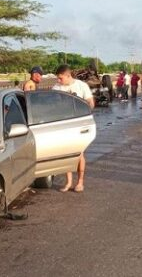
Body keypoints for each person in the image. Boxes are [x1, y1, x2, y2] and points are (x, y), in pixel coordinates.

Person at [52, 64, 95, 193]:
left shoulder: (81, 86)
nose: (59, 81)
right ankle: (69, 181)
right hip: (63, 125)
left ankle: (80, 182)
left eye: (61, 78)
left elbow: (91, 103)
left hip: (79, 124)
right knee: (66, 153)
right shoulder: (56, 88)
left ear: (68, 75)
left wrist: (82, 113)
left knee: (79, 153)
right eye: (58, 78)